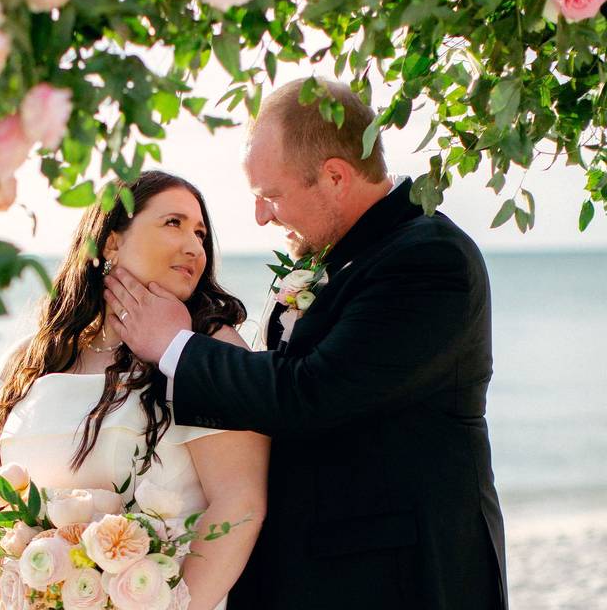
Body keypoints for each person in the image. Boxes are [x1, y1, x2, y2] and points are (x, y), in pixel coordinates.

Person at [103, 79, 508, 609]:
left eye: (271, 195)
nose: (262, 217)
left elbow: (313, 391)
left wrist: (175, 345)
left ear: (335, 176)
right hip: (317, 572)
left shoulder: (429, 259)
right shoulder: (342, 256)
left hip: (398, 579)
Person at [0, 171, 269, 610]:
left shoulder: (210, 350)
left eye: (200, 232)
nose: (194, 246)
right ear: (111, 242)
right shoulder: (32, 356)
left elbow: (239, 505)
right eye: (173, 223)